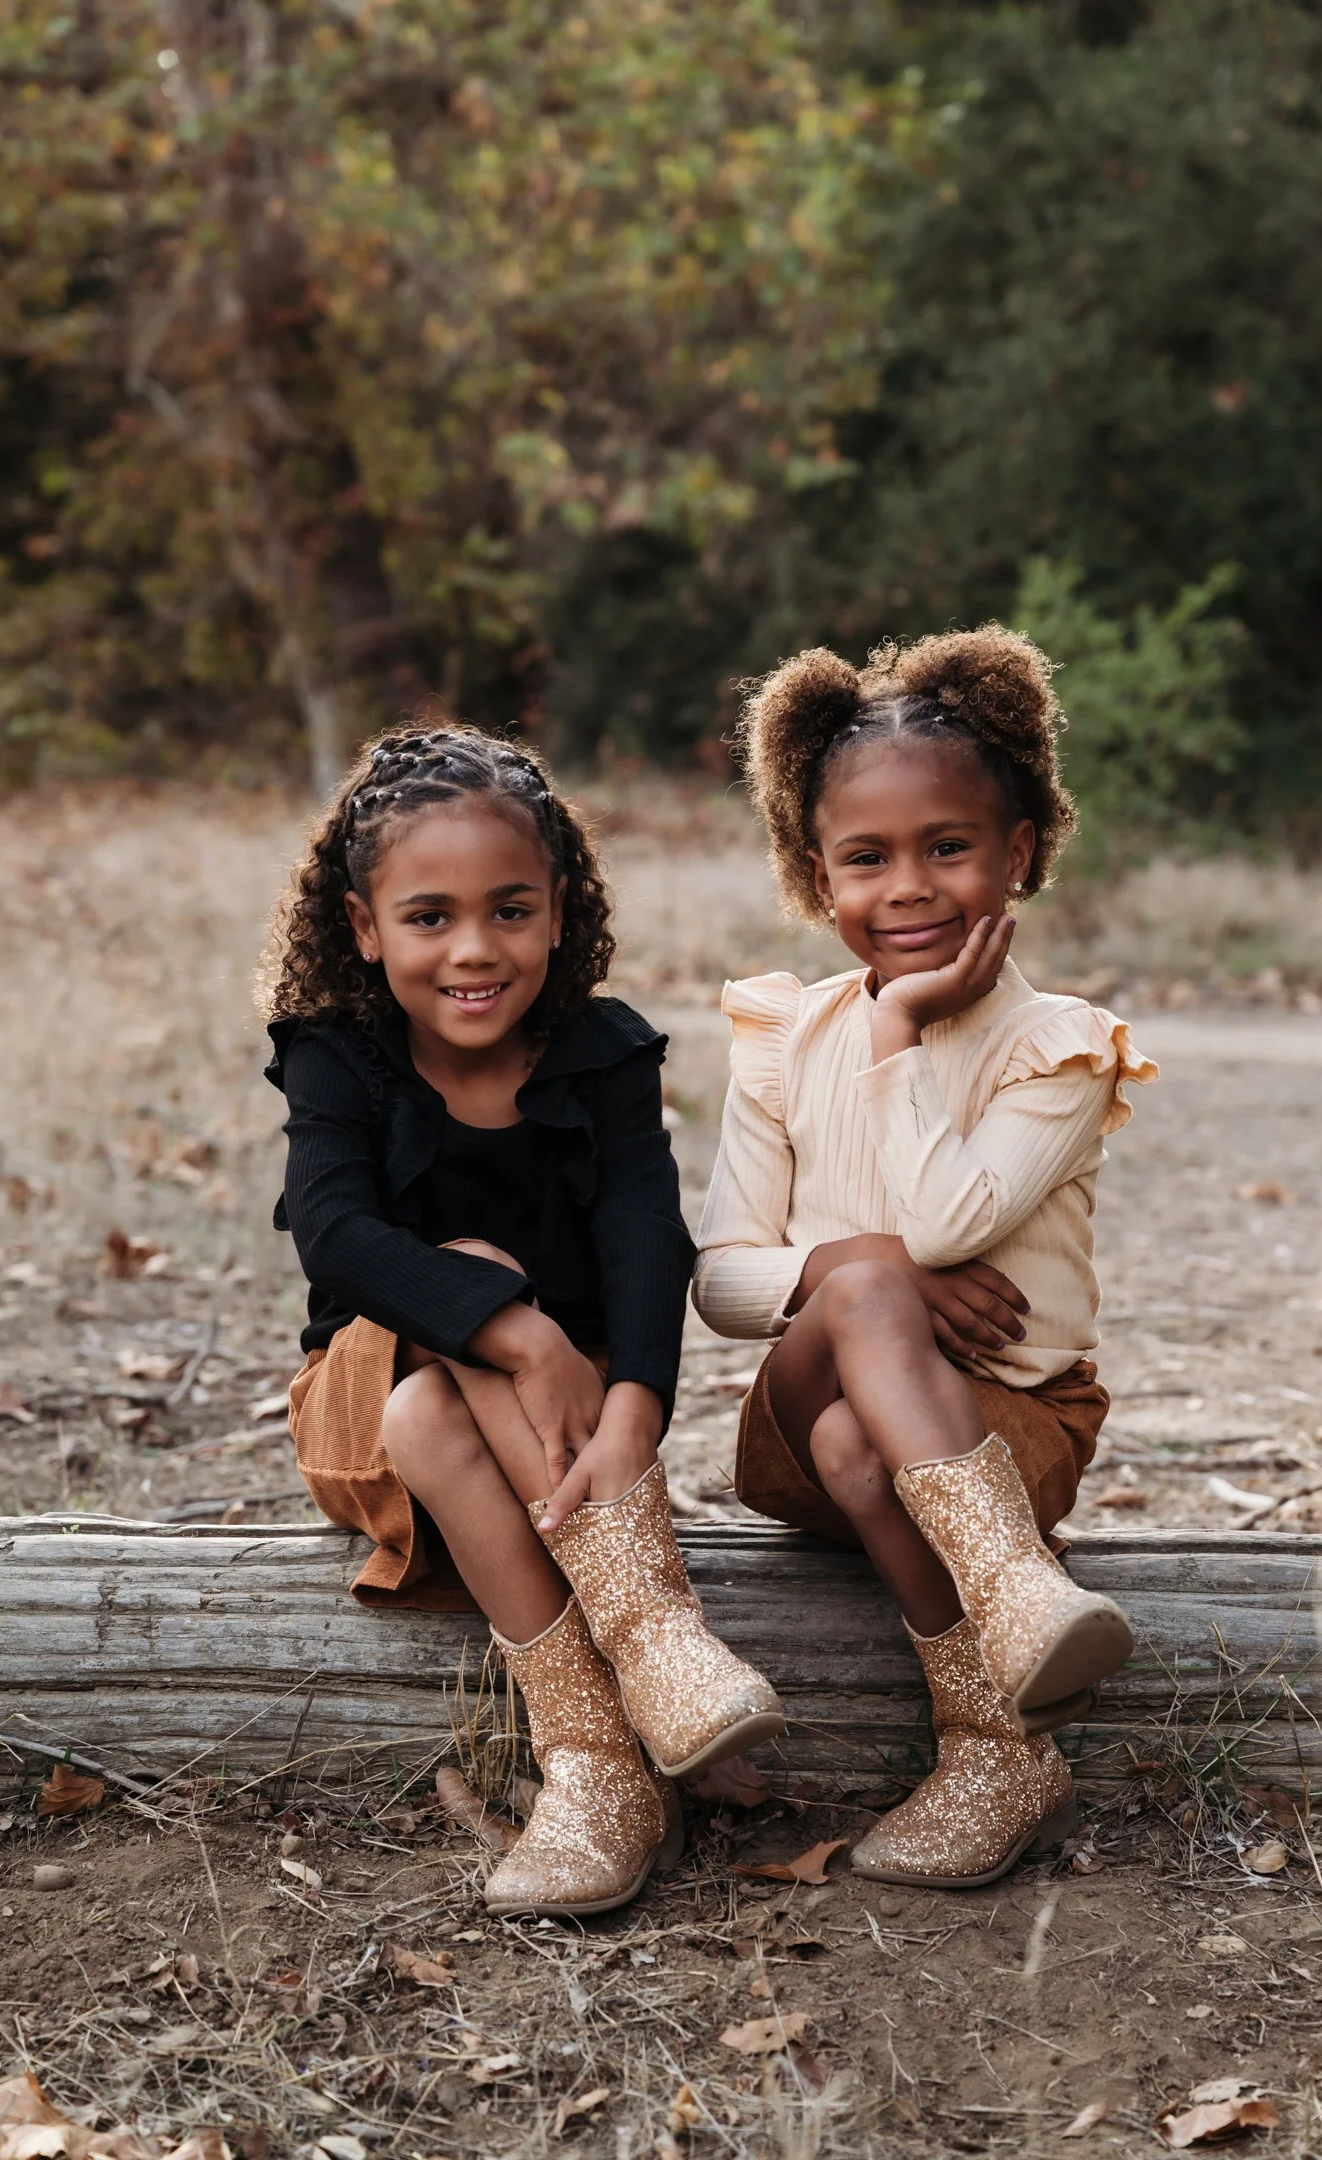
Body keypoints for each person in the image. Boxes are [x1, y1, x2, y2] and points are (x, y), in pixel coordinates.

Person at [261, 722, 782, 1920]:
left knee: (438, 1408)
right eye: (428, 917)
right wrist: (520, 1329)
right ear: (362, 927)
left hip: (536, 1445)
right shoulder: (339, 1059)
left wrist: (639, 1398)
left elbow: (647, 1231)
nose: (473, 950)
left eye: (510, 910)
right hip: (362, 1421)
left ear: (561, 909)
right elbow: (333, 1232)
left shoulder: (598, 1052)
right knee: (458, 1306)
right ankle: (634, 1668)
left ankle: (608, 1753)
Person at [692, 630, 1155, 1889]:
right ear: (814, 872)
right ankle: (1009, 1590)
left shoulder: (1058, 1047)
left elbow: (953, 1223)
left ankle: (993, 1744)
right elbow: (724, 1279)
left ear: (1018, 851)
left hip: (1017, 1423)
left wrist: (902, 1036)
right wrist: (859, 1274)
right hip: (796, 1435)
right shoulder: (787, 1036)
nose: (909, 887)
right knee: (849, 1329)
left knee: (863, 1438)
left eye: (948, 848)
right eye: (867, 857)